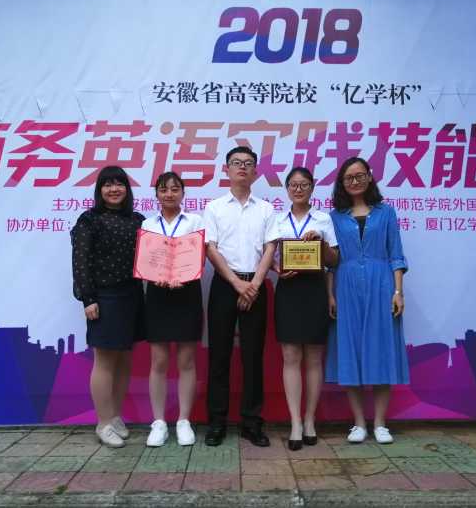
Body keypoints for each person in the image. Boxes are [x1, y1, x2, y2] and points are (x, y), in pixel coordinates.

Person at [325, 157, 409, 445]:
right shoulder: (334, 217)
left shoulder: (386, 213)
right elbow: (331, 263)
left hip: (381, 284)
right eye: (349, 177)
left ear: (370, 177)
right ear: (342, 183)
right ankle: (359, 423)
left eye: (360, 175)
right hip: (346, 286)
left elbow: (396, 254)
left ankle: (381, 423)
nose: (355, 181)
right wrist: (330, 295)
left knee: (382, 350)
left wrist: (398, 292)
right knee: (350, 350)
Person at [203, 146, 279, 447]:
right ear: (227, 169)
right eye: (236, 163)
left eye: (248, 163)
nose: (242, 167)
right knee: (219, 356)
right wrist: (236, 283)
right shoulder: (214, 208)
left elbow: (270, 247)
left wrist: (254, 285)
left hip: (256, 285)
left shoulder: (266, 209)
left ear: (256, 172)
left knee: (253, 357)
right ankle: (217, 422)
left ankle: (251, 422)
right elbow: (210, 248)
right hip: (225, 285)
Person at [71, 166, 145, 448]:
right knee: (104, 360)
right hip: (104, 297)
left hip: (132, 295)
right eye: (108, 185)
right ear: (99, 190)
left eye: (119, 184)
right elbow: (80, 261)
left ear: (127, 189)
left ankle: (114, 416)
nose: (114, 190)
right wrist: (88, 298)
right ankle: (102, 422)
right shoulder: (89, 220)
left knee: (124, 359)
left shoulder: (138, 220)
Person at [274, 167, 339, 451]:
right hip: (288, 290)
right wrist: (276, 268)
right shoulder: (277, 220)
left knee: (313, 358)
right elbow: (268, 255)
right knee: (290, 356)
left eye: (304, 185)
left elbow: (334, 261)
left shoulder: (324, 219)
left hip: (315, 290)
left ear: (312, 187)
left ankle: (310, 419)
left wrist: (321, 244)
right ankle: (295, 422)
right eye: (293, 185)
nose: (298, 189)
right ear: (287, 189)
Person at [142, 172, 204, 447]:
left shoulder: (195, 221)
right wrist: (152, 275)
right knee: (158, 361)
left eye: (175, 189)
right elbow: (146, 260)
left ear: (183, 193)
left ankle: (183, 421)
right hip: (157, 294)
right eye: (163, 189)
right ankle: (158, 422)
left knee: (186, 361)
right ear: (156, 194)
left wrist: (185, 274)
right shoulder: (147, 224)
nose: (169, 194)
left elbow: (199, 257)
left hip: (187, 292)